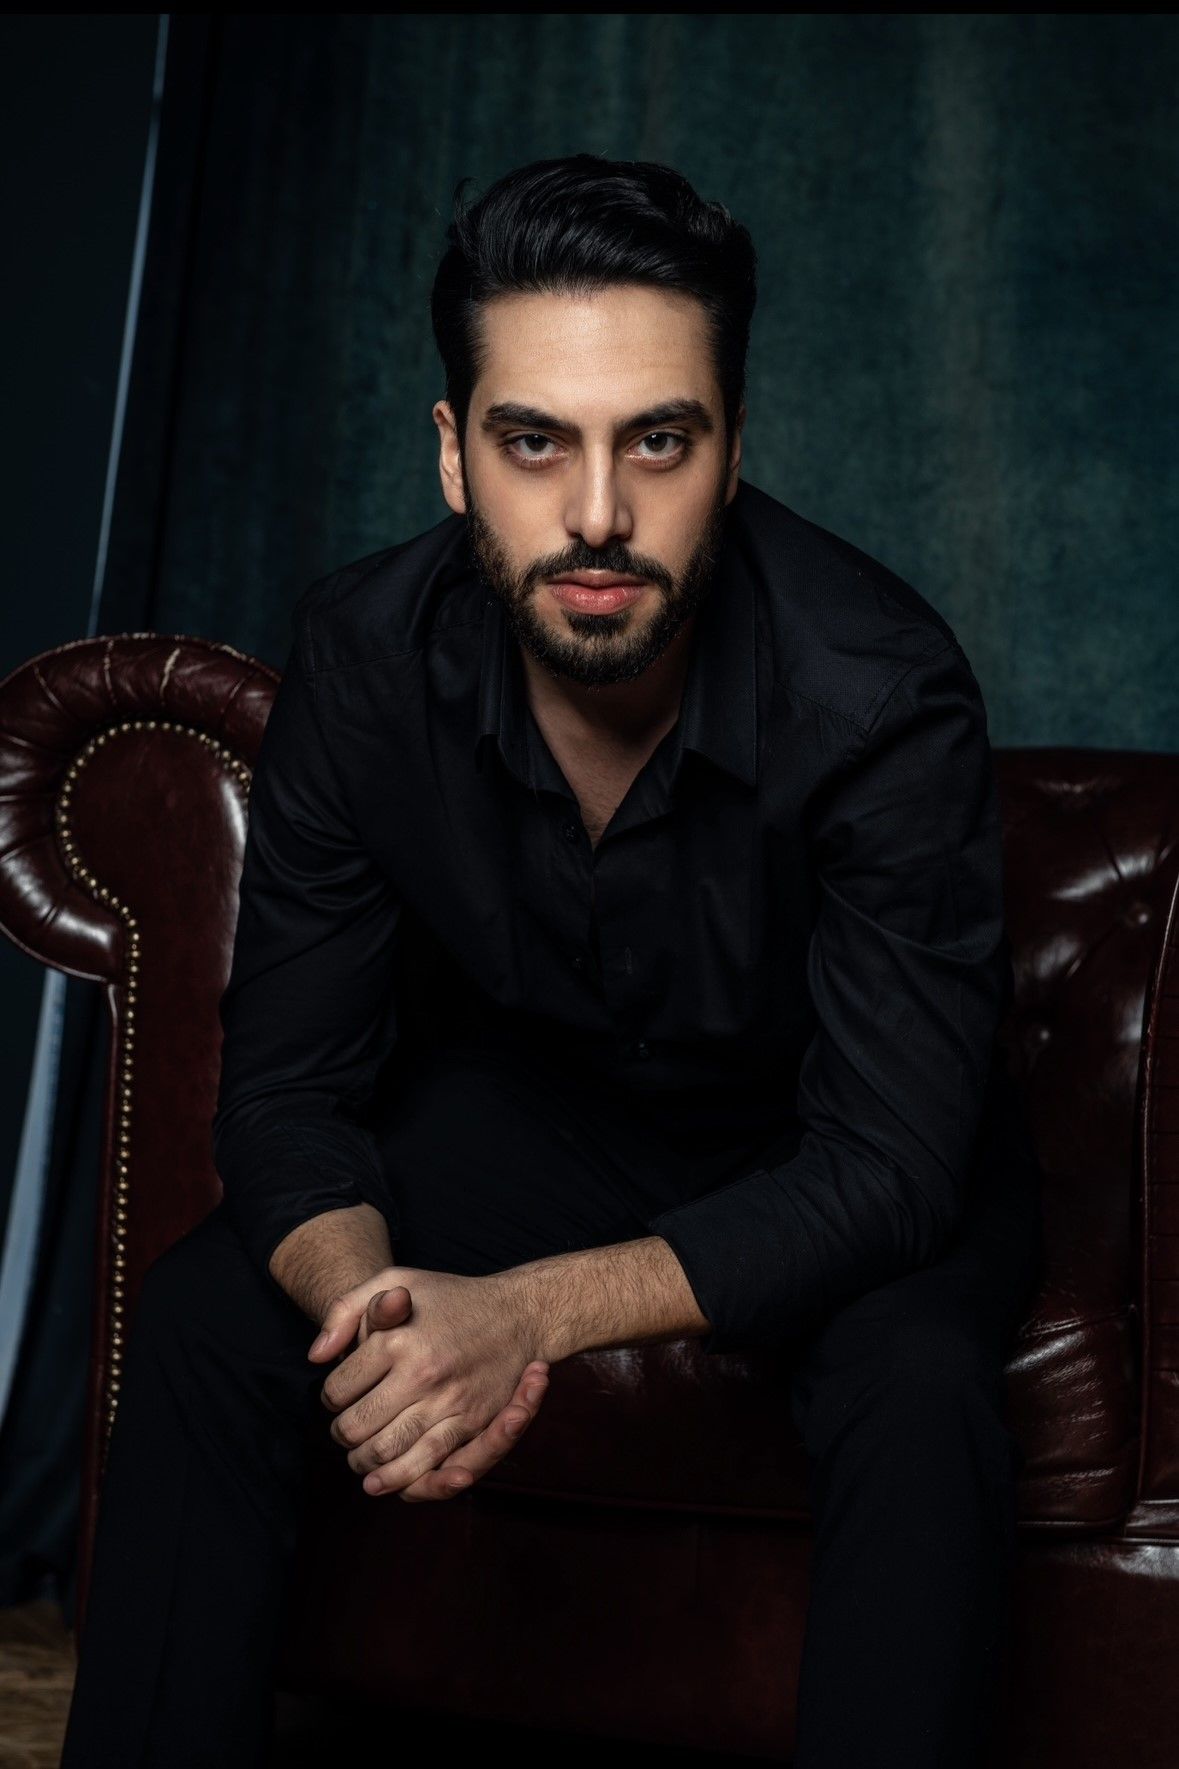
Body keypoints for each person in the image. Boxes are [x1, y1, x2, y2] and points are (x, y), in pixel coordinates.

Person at [61, 154, 1044, 1768]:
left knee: (923, 1389)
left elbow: (889, 1164)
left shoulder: (883, 689)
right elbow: (289, 1089)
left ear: (735, 448)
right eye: (535, 441)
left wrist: (522, 1315)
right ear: (453, 454)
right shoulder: (365, 658)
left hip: (840, 1146)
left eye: (658, 439)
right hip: (550, 1115)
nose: (598, 514)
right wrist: (379, 1313)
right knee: (210, 1311)